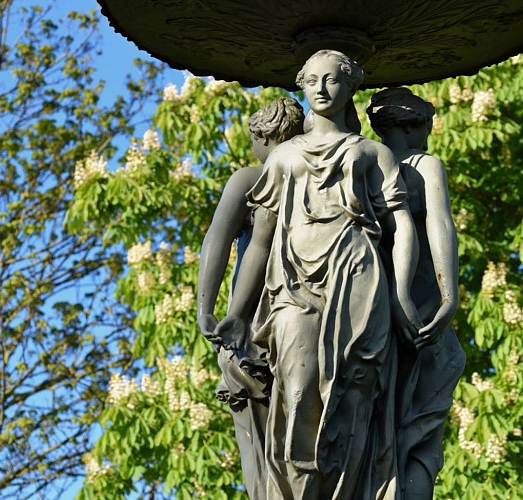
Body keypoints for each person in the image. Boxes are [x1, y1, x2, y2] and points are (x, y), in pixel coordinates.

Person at [212, 50, 421, 499]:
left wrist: (402, 294)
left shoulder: (372, 153)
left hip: (359, 280)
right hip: (293, 287)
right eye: (312, 81)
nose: (322, 89)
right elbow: (262, 242)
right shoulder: (284, 158)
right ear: (301, 87)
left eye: (332, 80)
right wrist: (237, 310)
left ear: (351, 87)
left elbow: (402, 228)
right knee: (296, 390)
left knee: (355, 393)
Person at [197, 96, 305, 500]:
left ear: (261, 136)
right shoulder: (316, 176)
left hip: (253, 316)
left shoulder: (251, 178)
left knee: (253, 433)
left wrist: (204, 307)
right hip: (307, 311)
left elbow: (217, 240)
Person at [367, 87, 466, 499]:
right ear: (413, 124)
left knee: (379, 423)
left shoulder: (363, 163)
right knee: (421, 431)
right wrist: (449, 297)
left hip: (373, 306)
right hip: (420, 306)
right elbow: (440, 228)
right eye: (427, 124)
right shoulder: (424, 165)